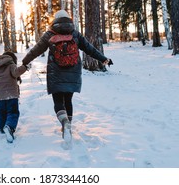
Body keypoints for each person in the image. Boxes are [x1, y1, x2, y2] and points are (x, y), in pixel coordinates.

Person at [21, 10, 113, 143]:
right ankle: (68, 125)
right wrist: (104, 59)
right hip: (73, 72)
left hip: (55, 73)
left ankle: (64, 122)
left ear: (55, 19)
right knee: (68, 100)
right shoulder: (75, 33)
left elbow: (36, 49)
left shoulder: (50, 34)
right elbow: (89, 49)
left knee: (58, 101)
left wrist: (25, 61)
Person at [0, 51, 28, 143]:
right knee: (13, 112)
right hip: (11, 95)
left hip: (0, 96)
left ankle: (2, 127)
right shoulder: (11, 66)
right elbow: (16, 72)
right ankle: (9, 127)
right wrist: (25, 67)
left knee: (2, 112)